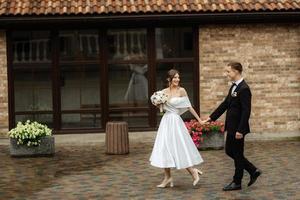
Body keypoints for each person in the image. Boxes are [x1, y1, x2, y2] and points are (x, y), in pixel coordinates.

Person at [204, 62, 261, 191]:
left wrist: (241, 130)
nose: (227, 74)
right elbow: (225, 104)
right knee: (230, 151)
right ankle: (253, 170)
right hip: (231, 126)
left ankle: (237, 182)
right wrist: (211, 118)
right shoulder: (234, 87)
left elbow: (246, 111)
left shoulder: (244, 89)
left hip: (238, 129)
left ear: (236, 71)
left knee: (237, 153)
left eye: (228, 71)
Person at [149, 69, 205, 188]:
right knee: (165, 148)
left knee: (178, 147)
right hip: (166, 122)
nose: (177, 80)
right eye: (175, 78)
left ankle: (193, 171)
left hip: (175, 122)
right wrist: (158, 103)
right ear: (169, 79)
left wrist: (199, 120)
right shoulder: (162, 92)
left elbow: (189, 107)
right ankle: (167, 177)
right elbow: (162, 109)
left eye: (178, 77)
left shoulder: (182, 90)